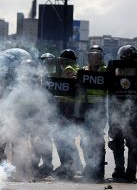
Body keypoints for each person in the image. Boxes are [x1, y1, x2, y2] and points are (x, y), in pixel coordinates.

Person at [108, 45, 137, 182]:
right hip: (116, 111)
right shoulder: (112, 68)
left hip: (134, 112)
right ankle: (119, 169)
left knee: (133, 143)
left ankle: (131, 171)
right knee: (117, 142)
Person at [76, 45, 107, 182]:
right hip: (85, 110)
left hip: (99, 111)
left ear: (101, 58)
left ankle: (99, 171)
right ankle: (89, 167)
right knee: (84, 141)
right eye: (92, 56)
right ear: (88, 57)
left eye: (97, 56)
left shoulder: (107, 72)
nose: (94, 59)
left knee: (98, 142)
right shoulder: (82, 72)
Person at [52, 49, 81, 179]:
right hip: (69, 106)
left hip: (66, 107)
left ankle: (68, 167)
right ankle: (72, 165)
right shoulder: (77, 68)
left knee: (62, 138)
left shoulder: (69, 69)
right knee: (66, 138)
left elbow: (69, 82)